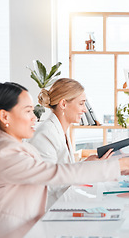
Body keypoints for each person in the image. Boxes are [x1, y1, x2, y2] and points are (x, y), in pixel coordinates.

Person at [0, 82, 129, 238]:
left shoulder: (15, 149)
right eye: (28, 111)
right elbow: (54, 173)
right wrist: (120, 164)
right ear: (5, 117)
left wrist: (98, 165)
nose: (34, 117)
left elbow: (54, 170)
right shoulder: (5, 155)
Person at [29, 78, 113, 208]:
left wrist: (87, 163)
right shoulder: (45, 135)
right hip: (47, 213)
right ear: (63, 104)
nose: (85, 109)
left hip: (63, 205)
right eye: (81, 103)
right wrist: (86, 166)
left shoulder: (62, 130)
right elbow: (47, 184)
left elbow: (62, 171)